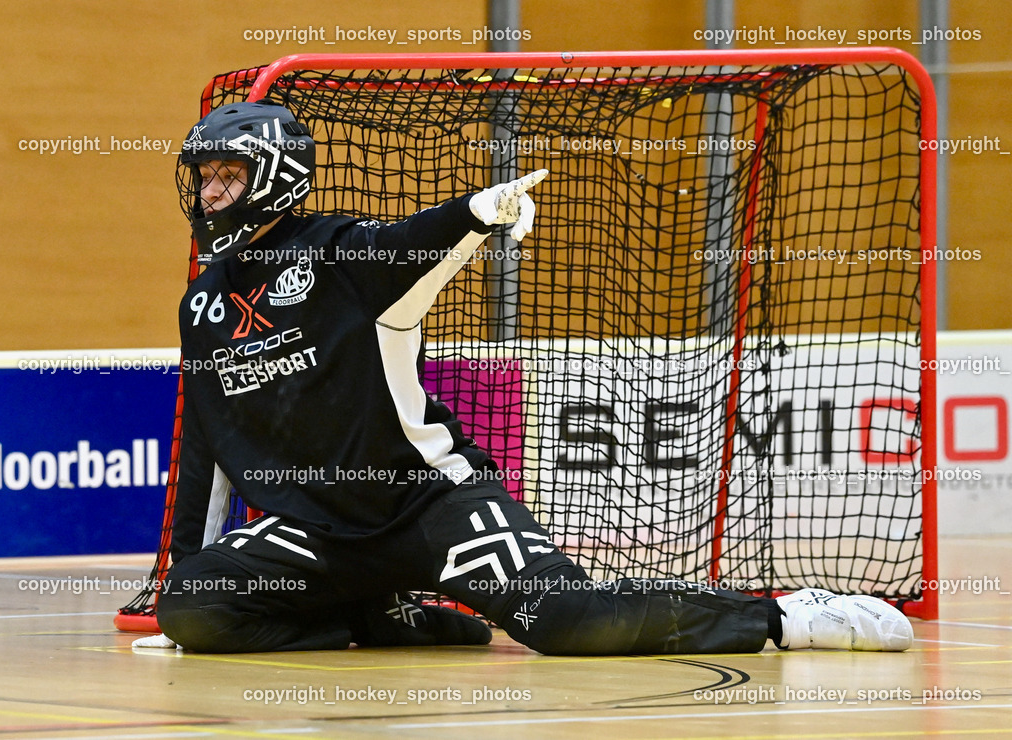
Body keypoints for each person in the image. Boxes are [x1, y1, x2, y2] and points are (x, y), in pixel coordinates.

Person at [138, 100, 913, 655]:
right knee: (193, 610)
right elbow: (207, 447)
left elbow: (412, 241)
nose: (208, 194)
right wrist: (181, 574)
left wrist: (479, 212)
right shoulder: (201, 305)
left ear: (274, 178)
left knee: (570, 623)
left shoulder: (344, 257)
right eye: (202, 178)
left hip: (431, 507)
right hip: (315, 533)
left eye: (226, 176)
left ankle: (784, 618)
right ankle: (379, 617)